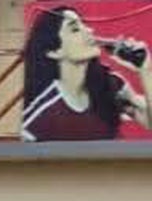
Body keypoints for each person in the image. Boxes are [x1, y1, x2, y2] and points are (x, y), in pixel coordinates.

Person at [24, 7, 151, 141]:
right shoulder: (40, 115)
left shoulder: (111, 85)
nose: (89, 30)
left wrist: (145, 70)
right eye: (75, 29)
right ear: (54, 52)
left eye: (83, 24)